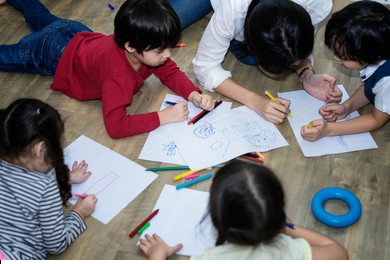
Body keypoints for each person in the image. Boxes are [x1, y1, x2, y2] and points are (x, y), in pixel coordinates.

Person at [0, 0, 215, 139]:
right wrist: (162, 117)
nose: (167, 55)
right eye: (160, 51)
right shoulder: (118, 76)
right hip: (51, 52)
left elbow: (169, 71)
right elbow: (116, 126)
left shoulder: (139, 46)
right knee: (7, 55)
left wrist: (192, 94)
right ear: (130, 47)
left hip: (72, 32)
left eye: (169, 46)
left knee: (40, 16)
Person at [167, 0, 343, 124]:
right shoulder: (235, 7)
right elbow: (204, 65)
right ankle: (218, 20)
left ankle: (219, 25)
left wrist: (306, 73)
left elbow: (296, 46)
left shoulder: (317, 2)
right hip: (232, 12)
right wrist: (255, 101)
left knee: (265, 58)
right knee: (163, 25)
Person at [138, 160, 348, 260]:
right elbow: (338, 252)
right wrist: (287, 227)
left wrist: (158, 256)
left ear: (217, 219)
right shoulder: (288, 251)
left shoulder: (209, 261)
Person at [0, 98, 97, 260]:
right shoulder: (45, 187)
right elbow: (56, 245)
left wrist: (66, 178)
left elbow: (20, 190)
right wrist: (79, 213)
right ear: (41, 149)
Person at [301, 1, 390, 141]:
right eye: (335, 51)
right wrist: (347, 107)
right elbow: (371, 86)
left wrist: (328, 130)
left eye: (343, 56)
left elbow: (376, 120)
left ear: (374, 56)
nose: (335, 58)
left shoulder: (387, 82)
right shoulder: (378, 52)